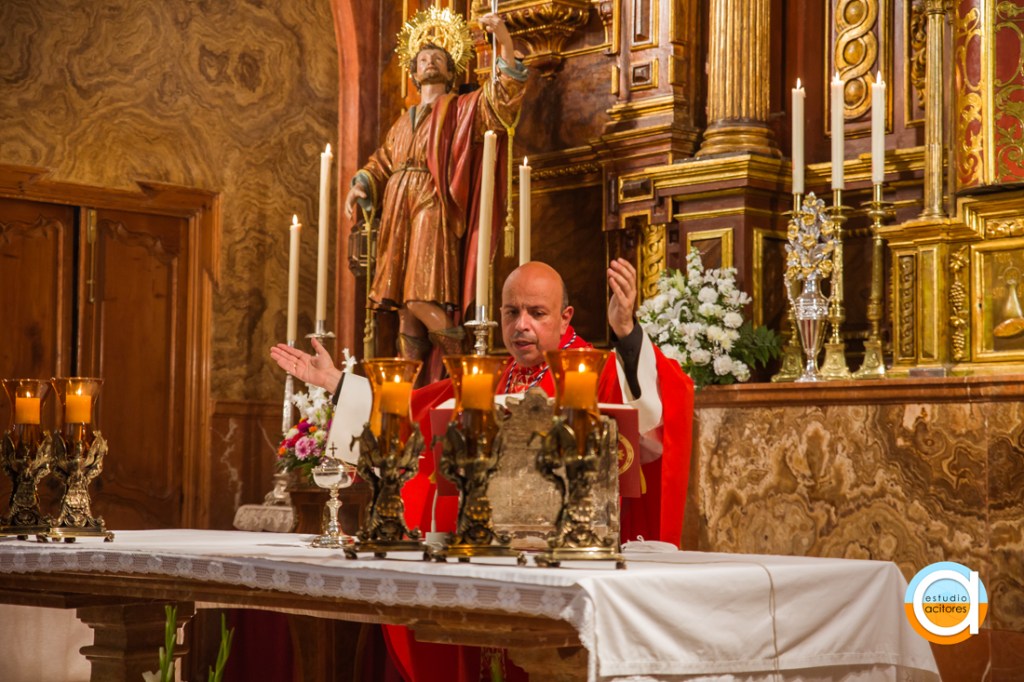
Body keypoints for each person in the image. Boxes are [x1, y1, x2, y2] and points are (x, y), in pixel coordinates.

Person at [344, 9, 528, 363]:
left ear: (450, 71)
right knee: (405, 310)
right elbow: (383, 161)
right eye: (423, 59)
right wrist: (363, 182)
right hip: (398, 207)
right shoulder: (402, 122)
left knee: (419, 296)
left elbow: (500, 99)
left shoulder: (460, 108)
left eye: (438, 58)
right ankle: (410, 389)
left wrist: (504, 42)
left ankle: (461, 362)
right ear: (414, 72)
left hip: (431, 201)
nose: (429, 62)